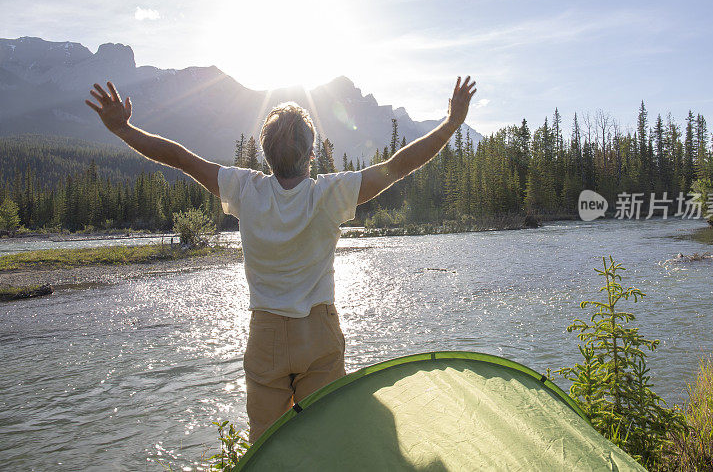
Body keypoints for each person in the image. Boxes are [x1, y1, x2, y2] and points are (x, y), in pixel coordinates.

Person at [85, 75, 476, 442]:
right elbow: (397, 167)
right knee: (327, 441)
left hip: (265, 336)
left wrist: (123, 129)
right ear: (310, 153)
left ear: (266, 154)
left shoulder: (244, 189)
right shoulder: (329, 194)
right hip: (318, 333)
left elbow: (181, 158)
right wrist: (451, 123)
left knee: (268, 448)